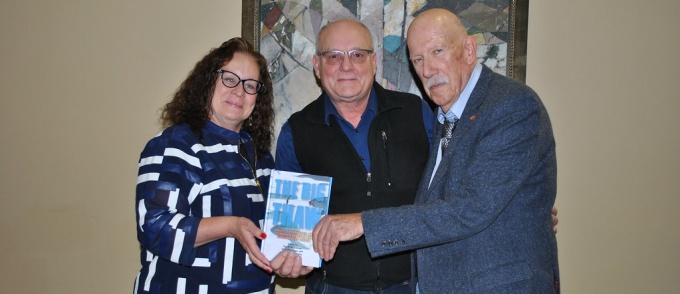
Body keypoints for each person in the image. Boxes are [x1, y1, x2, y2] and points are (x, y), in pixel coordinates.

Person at [312, 8, 560, 293]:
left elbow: (470, 207)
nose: (427, 70)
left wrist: (363, 223)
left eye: (437, 51)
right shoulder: (444, 117)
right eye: (418, 59)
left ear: (468, 50)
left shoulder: (512, 106)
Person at [274, 19, 434, 293]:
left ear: (374, 62)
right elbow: (289, 229)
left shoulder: (418, 114)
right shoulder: (296, 131)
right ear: (317, 65)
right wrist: (290, 257)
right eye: (333, 56)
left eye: (357, 55)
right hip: (332, 287)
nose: (346, 66)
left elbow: (444, 199)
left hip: (414, 285)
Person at [134, 37, 278, 294]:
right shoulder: (175, 145)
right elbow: (155, 228)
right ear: (208, 81)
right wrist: (231, 226)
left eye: (250, 85)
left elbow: (274, 231)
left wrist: (293, 256)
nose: (239, 91)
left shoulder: (261, 157)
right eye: (229, 79)